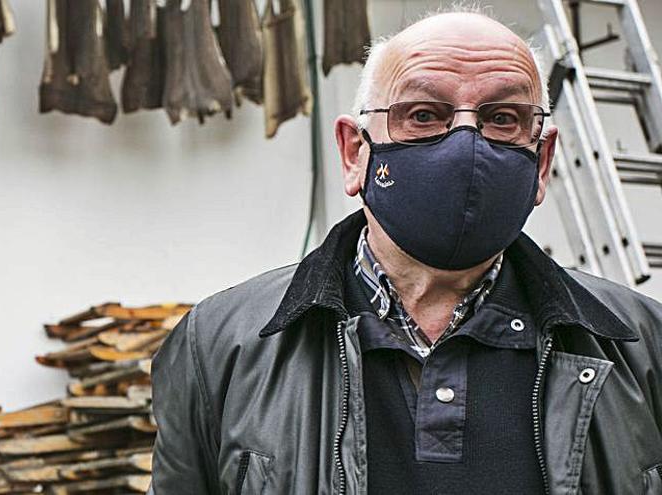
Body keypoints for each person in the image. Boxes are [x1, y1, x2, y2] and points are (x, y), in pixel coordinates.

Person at [149, 8, 662, 495]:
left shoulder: (643, 346)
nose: (467, 145)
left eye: (503, 117)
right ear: (355, 152)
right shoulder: (219, 344)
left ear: (542, 160)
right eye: (422, 114)